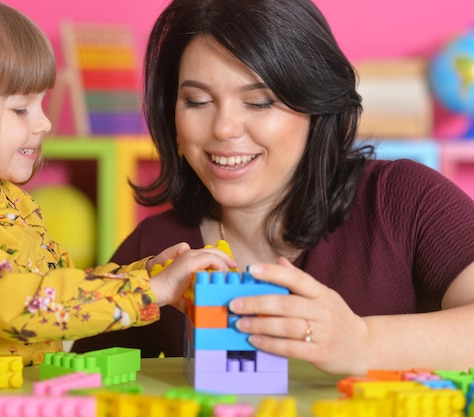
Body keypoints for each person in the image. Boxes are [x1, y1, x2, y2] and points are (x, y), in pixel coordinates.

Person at [73, 0, 474, 375]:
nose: (224, 128)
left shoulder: (402, 198)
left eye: (259, 102)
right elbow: (76, 378)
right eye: (197, 101)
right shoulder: (155, 250)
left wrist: (364, 343)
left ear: (314, 107)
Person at [0, 0, 236, 386]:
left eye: (41, 104)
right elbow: (10, 300)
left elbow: (60, 287)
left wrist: (152, 273)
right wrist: (150, 290)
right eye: (21, 109)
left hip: (15, 401)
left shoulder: (13, 201)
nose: (45, 122)